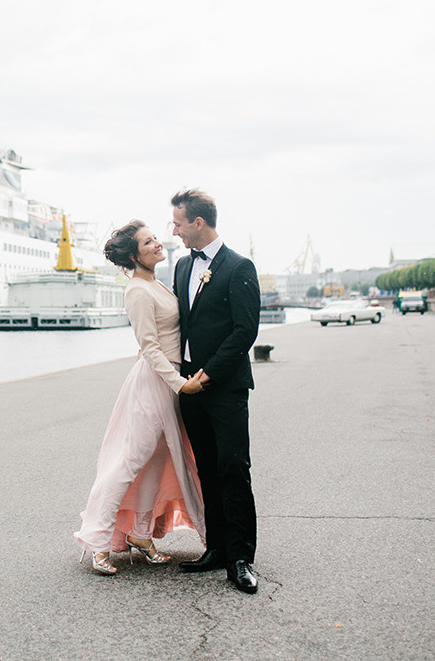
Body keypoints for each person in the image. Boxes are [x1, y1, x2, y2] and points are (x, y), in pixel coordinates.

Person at [74, 221, 207, 575]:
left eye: (154, 238)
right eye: (148, 242)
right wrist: (179, 384)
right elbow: (149, 347)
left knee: (158, 459)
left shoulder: (156, 283)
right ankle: (98, 540)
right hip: (155, 383)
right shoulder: (137, 290)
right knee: (129, 461)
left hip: (168, 380)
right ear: (134, 256)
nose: (156, 243)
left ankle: (141, 534)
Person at [170, 189, 262, 594]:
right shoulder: (179, 267)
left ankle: (241, 558)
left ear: (198, 223)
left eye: (177, 223)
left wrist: (207, 375)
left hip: (224, 388)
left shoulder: (240, 267)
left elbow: (245, 332)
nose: (173, 231)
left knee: (233, 469)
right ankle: (216, 549)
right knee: (205, 468)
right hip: (188, 390)